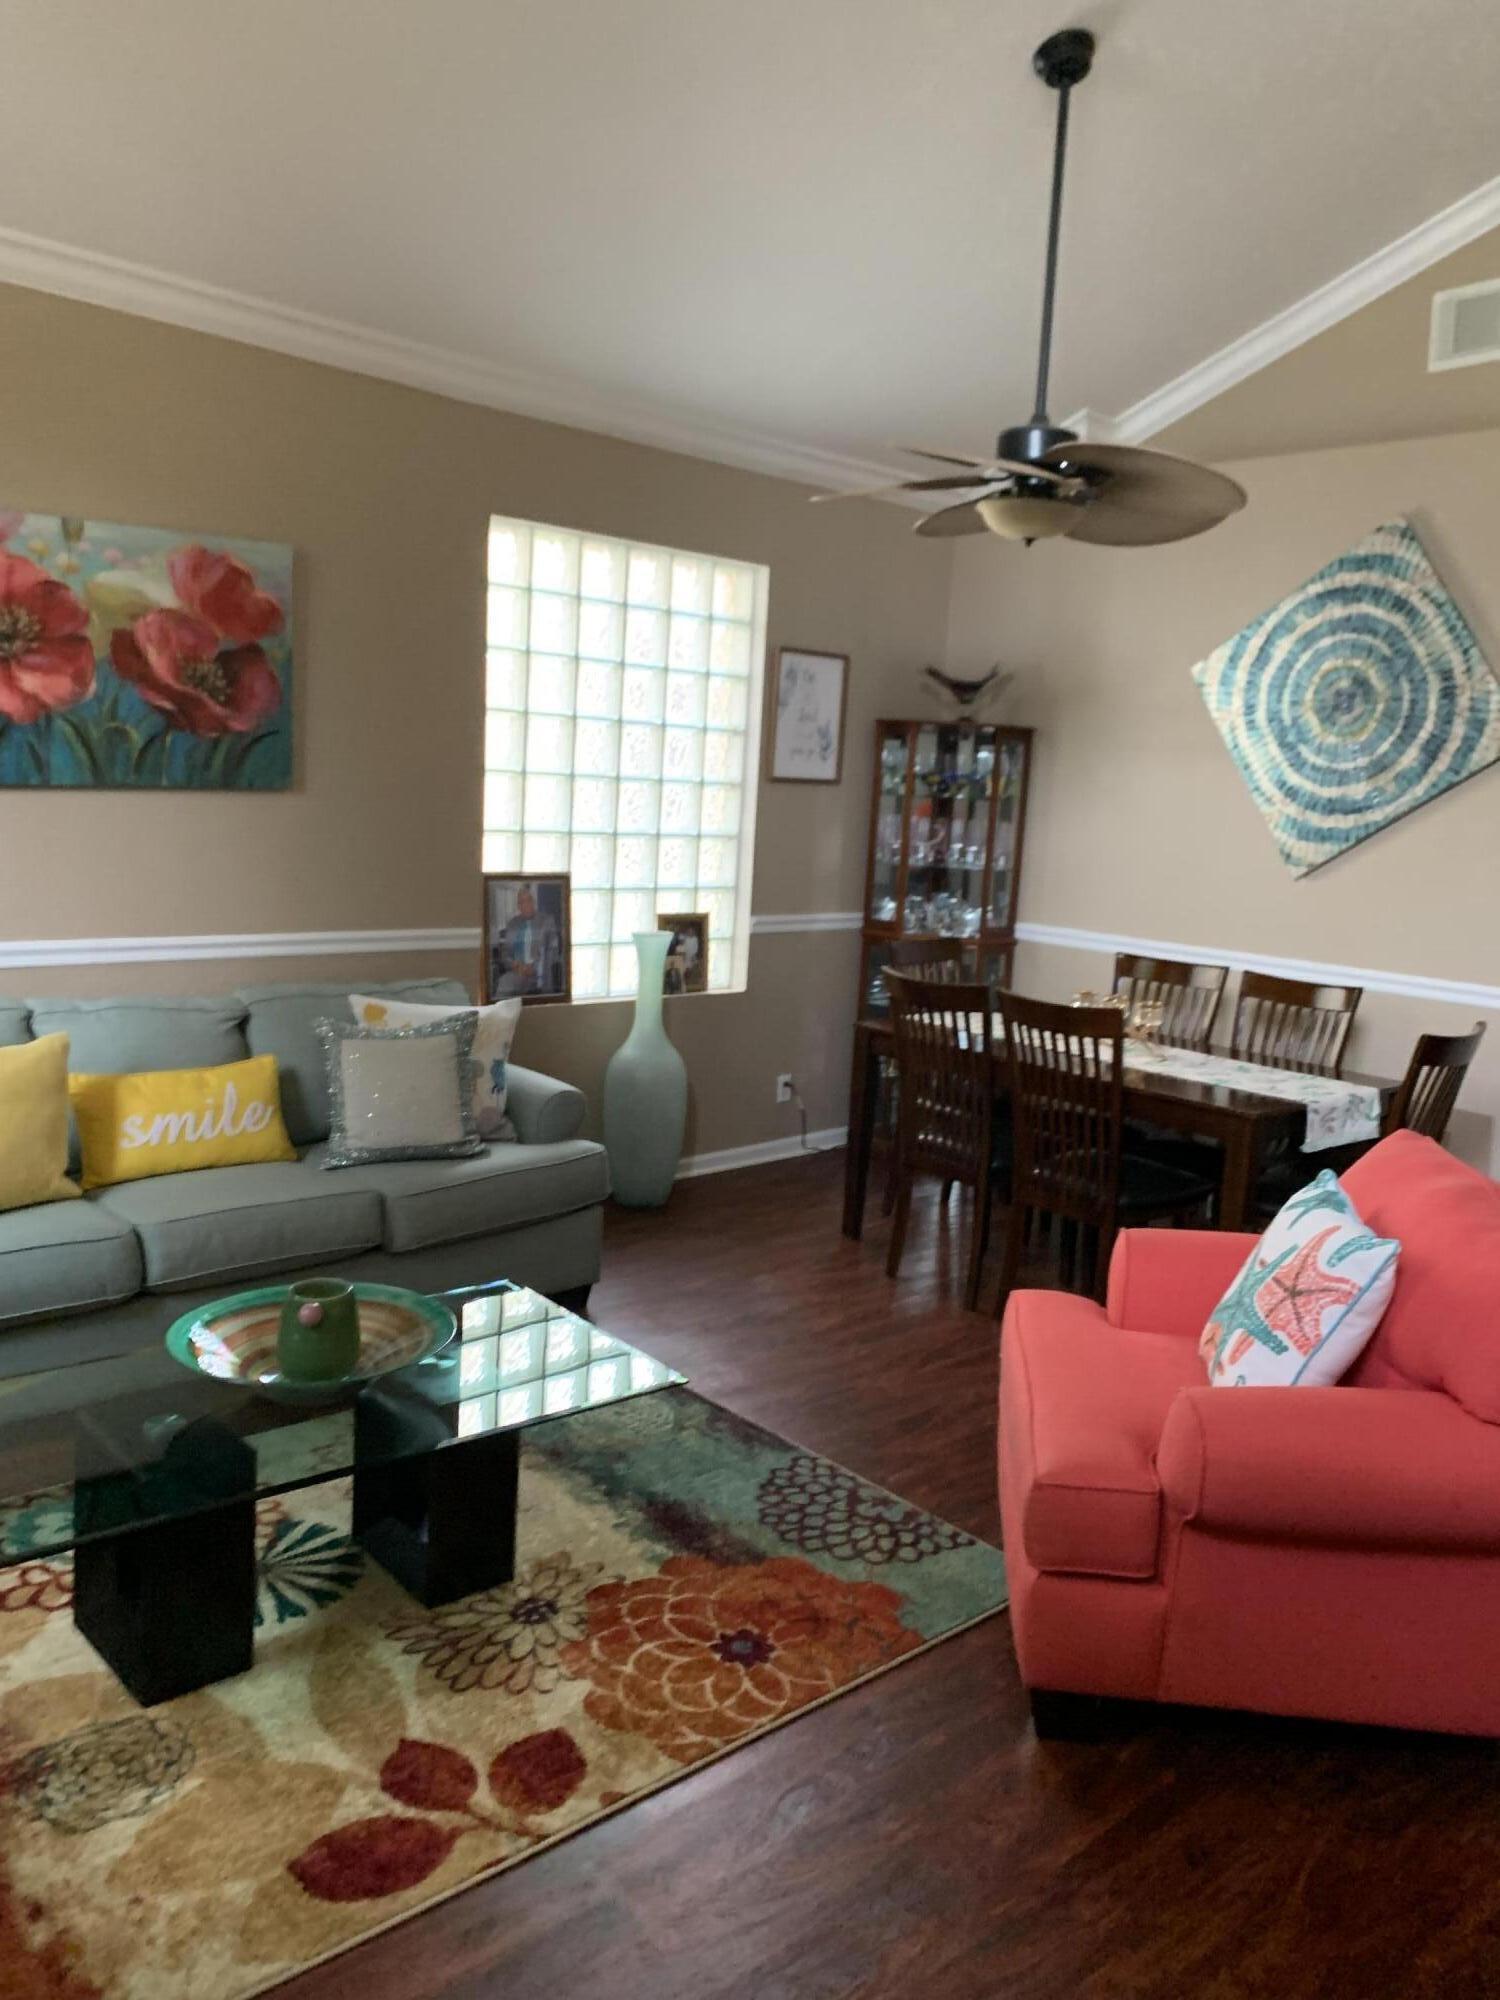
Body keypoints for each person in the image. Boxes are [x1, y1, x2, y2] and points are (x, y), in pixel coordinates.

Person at [491, 882, 561, 997]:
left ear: (534, 902)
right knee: (504, 984)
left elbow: (554, 950)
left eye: (528, 900)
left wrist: (535, 967)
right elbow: (505, 953)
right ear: (518, 906)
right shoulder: (512, 924)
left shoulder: (547, 921)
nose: (525, 905)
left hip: (540, 974)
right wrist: (515, 965)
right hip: (518, 972)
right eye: (521, 902)